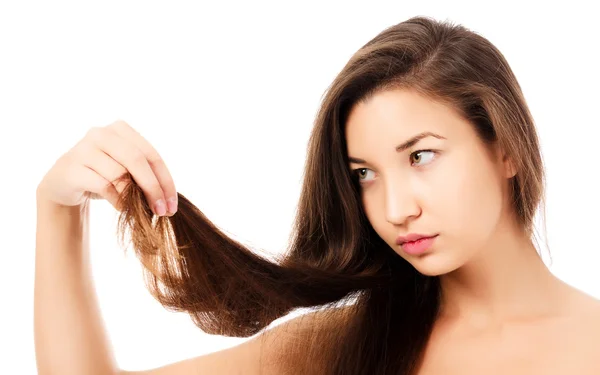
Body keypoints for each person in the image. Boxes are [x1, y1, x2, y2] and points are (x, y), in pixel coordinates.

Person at [34, 15, 600, 375]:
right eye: (364, 174)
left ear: (507, 150)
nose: (396, 208)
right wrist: (57, 208)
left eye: (420, 156)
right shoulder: (348, 344)